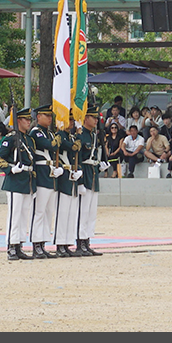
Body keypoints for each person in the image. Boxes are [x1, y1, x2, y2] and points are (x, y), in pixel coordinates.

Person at [0, 107, 36, 260]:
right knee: (14, 214)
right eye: (26, 119)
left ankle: (19, 245)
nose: (29, 122)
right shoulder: (11, 138)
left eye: (30, 120)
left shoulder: (29, 140)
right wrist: (11, 168)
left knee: (24, 215)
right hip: (15, 181)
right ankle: (11, 245)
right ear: (18, 121)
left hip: (27, 180)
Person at [28, 105, 65, 259]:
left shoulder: (49, 133)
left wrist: (60, 168)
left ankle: (43, 243)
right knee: (39, 211)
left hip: (50, 174)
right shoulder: (36, 133)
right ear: (38, 117)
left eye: (51, 116)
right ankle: (36, 243)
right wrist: (58, 138)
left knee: (48, 212)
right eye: (46, 116)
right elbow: (50, 146)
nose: (50, 119)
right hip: (42, 174)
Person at [75, 105, 108, 256]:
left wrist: (101, 165)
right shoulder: (80, 135)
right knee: (82, 211)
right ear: (85, 118)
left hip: (93, 174)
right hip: (85, 174)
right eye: (93, 117)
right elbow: (78, 160)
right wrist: (80, 181)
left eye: (97, 118)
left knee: (91, 212)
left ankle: (87, 240)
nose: (96, 120)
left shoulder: (94, 136)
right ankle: (80, 242)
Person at [53, 114, 81, 257]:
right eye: (69, 120)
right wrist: (73, 146)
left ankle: (66, 242)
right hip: (63, 174)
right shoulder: (60, 135)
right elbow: (64, 146)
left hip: (71, 174)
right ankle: (59, 243)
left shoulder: (70, 136)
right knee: (62, 212)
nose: (72, 122)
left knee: (70, 212)